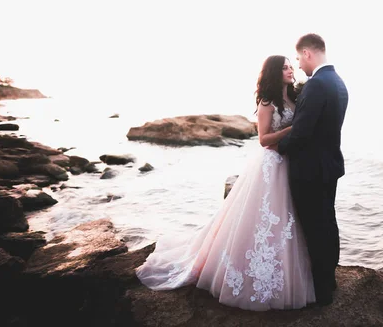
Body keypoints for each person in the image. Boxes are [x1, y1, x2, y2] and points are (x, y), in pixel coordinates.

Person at [135, 55, 315, 311]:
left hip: (288, 164)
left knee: (285, 220)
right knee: (263, 219)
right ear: (274, 73)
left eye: (291, 66)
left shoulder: (294, 98)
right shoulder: (267, 103)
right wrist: (292, 129)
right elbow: (264, 139)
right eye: (285, 67)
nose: (290, 70)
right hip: (272, 165)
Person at [274, 33, 349, 306]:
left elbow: (302, 132)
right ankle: (328, 280)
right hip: (328, 166)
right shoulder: (337, 82)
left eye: (297, 58)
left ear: (307, 53)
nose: (297, 65)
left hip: (310, 171)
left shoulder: (317, 85)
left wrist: (276, 149)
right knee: (327, 224)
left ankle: (321, 291)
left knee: (315, 229)